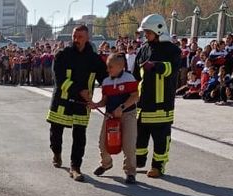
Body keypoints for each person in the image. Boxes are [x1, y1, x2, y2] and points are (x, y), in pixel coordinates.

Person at [46, 25, 108, 182]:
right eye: (74, 36)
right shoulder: (62, 55)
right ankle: (57, 153)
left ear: (87, 38)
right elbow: (59, 80)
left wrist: (117, 84)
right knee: (56, 133)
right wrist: (79, 90)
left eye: (80, 37)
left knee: (79, 136)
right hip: (62, 101)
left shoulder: (94, 59)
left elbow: (105, 78)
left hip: (82, 104)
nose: (76, 40)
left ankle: (75, 167)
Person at [133, 14, 181, 178]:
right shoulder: (143, 49)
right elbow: (135, 75)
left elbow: (172, 69)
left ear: (158, 30)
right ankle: (138, 161)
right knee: (140, 137)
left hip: (162, 105)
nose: (145, 35)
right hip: (143, 104)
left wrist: (155, 66)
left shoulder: (172, 50)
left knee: (161, 139)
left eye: (148, 32)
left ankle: (158, 166)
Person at [89, 54, 140, 184]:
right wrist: (96, 104)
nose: (108, 69)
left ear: (120, 66)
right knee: (103, 143)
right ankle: (106, 164)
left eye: (110, 67)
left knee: (128, 145)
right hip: (110, 116)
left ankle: (130, 172)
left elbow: (135, 97)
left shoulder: (129, 78)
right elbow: (104, 100)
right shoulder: (106, 82)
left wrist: (121, 108)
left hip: (128, 115)